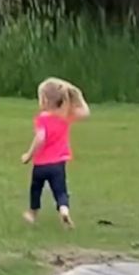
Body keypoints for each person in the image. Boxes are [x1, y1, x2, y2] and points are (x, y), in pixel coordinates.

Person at [21, 77, 90, 227]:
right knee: (60, 191)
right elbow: (85, 112)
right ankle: (64, 210)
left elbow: (40, 138)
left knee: (36, 189)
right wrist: (76, 94)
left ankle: (32, 213)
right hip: (58, 164)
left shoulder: (42, 119)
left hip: (41, 165)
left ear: (44, 100)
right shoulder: (65, 118)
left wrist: (28, 155)